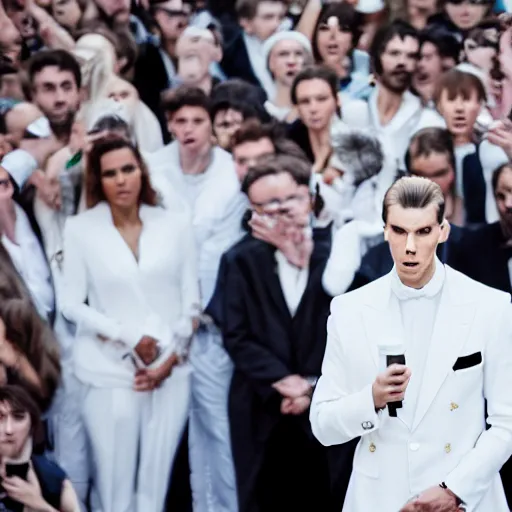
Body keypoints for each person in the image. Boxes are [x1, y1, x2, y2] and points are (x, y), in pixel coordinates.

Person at [311, 176, 512, 512]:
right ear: (385, 230)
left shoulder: (489, 306)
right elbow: (322, 425)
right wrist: (370, 399)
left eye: (422, 232)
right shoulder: (349, 310)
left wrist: (454, 490)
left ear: (442, 231)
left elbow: (507, 423)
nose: (410, 247)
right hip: (379, 498)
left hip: (464, 498)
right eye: (400, 231)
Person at [61, 136, 199, 512]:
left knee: (156, 486)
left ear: (142, 170)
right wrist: (129, 336)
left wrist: (168, 361)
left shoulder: (175, 224)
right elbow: (70, 303)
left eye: (128, 168)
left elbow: (192, 302)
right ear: (97, 180)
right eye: (110, 173)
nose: (121, 180)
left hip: (172, 369)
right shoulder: (80, 229)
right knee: (113, 487)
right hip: (108, 371)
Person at [222, 154, 338, 512]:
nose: (283, 210)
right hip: (262, 405)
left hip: (327, 404)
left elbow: (350, 327)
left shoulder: (338, 253)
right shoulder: (238, 260)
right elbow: (236, 334)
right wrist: (284, 381)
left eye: (291, 198)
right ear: (252, 211)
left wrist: (311, 386)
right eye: (269, 204)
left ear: (310, 197)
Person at [342, 20, 445, 167]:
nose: (402, 62)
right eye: (394, 53)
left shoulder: (428, 122)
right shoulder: (352, 111)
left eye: (411, 56)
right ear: (377, 57)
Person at [434, 68, 508, 224]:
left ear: (480, 105)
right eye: (451, 99)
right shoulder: (430, 151)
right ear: (439, 106)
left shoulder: (492, 150)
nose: (459, 108)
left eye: (467, 99)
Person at [0, 385, 80, 512]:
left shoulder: (52, 478)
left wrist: (40, 505)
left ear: (31, 425)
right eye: (0, 418)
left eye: (18, 417)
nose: (8, 429)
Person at [221, 0, 286, 98]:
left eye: (281, 17)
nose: (276, 24)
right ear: (246, 23)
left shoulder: (293, 46)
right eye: (268, 17)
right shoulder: (230, 57)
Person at [288, 65, 341, 173]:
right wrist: (320, 162)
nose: (313, 109)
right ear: (296, 107)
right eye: (305, 101)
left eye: (321, 99)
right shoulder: (288, 142)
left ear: (337, 100)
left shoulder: (354, 136)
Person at [262, 30, 312, 122]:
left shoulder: (317, 110)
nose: (291, 61)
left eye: (298, 54)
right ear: (270, 63)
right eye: (283, 54)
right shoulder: (263, 112)